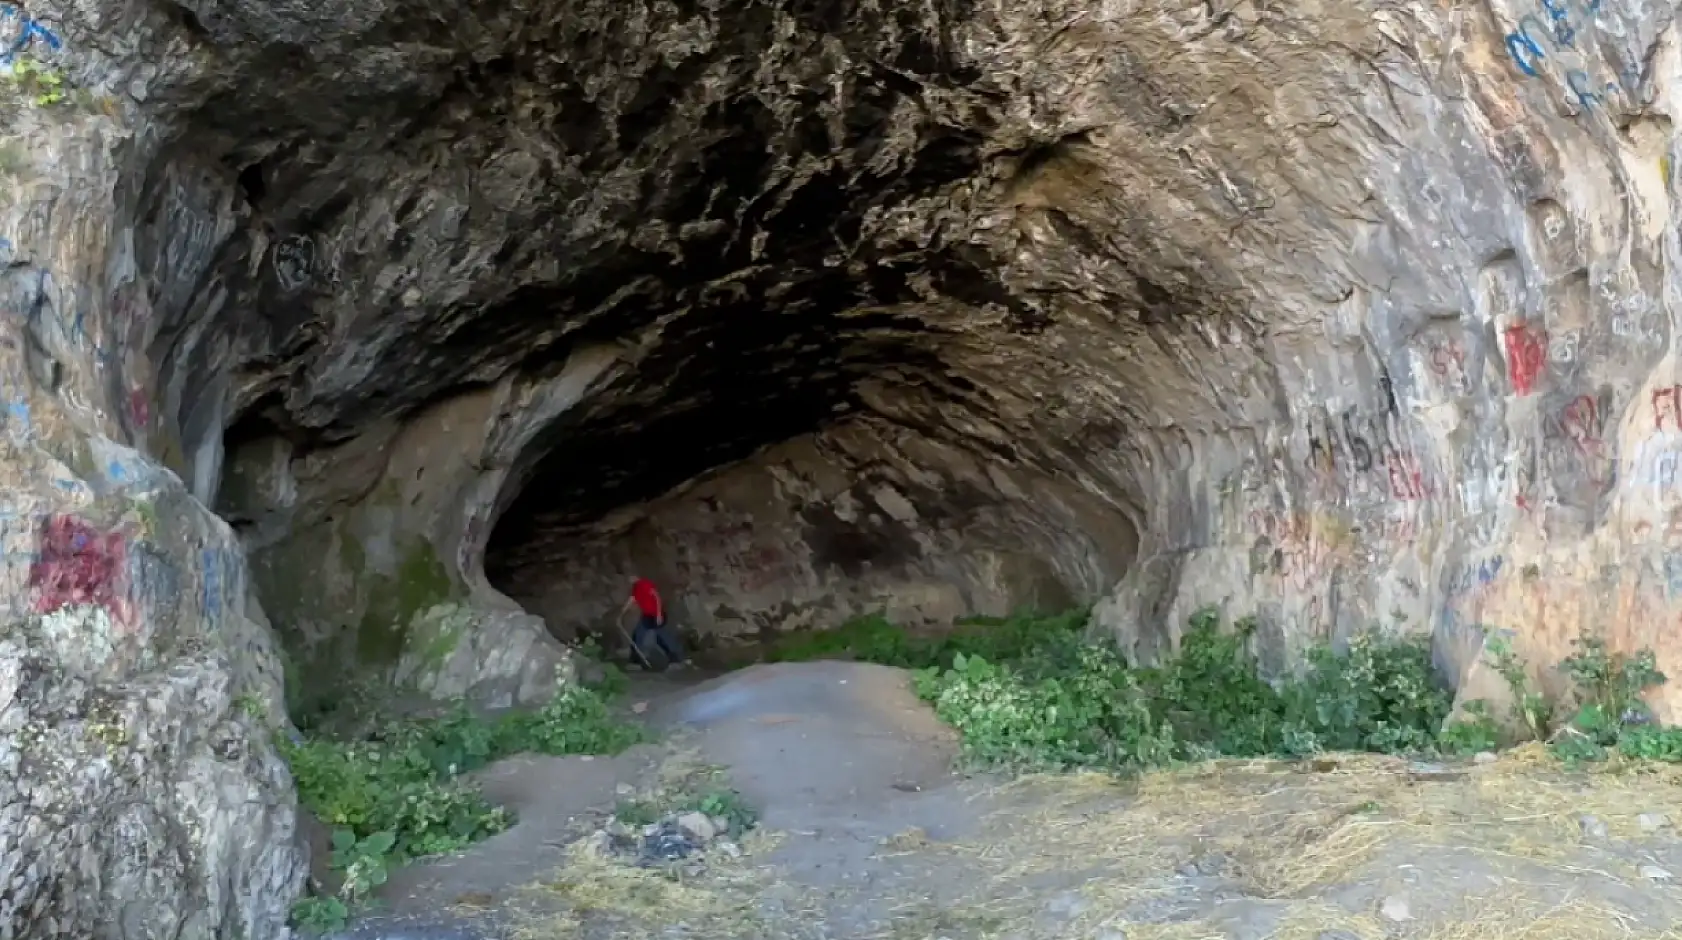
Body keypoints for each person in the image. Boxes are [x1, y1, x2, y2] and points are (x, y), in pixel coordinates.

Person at [621, 576, 687, 669]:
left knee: (663, 637)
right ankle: (635, 661)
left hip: (655, 615)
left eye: (630, 578)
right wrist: (622, 612)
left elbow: (656, 597)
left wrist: (659, 615)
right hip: (647, 615)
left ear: (635, 577)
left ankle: (676, 659)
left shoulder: (645, 584)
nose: (629, 580)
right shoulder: (635, 588)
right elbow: (632, 599)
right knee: (637, 635)